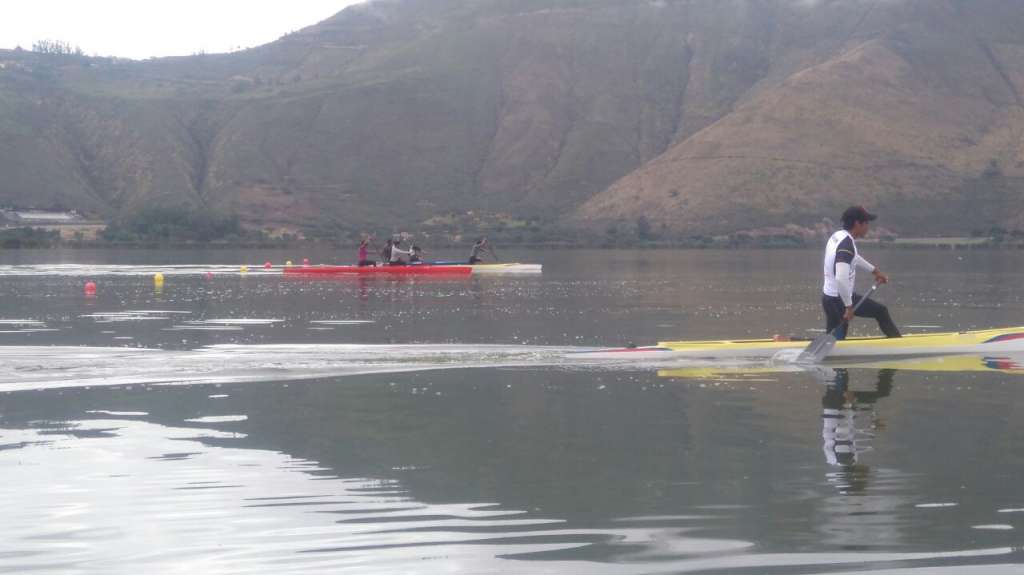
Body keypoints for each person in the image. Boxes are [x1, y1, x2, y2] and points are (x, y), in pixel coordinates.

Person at [822, 206, 900, 340]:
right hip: (838, 300)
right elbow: (841, 278)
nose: (868, 227)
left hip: (829, 297)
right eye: (866, 223)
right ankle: (899, 347)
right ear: (858, 224)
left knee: (834, 339)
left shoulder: (838, 236)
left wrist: (875, 271)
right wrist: (848, 306)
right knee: (881, 311)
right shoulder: (846, 245)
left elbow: (854, 257)